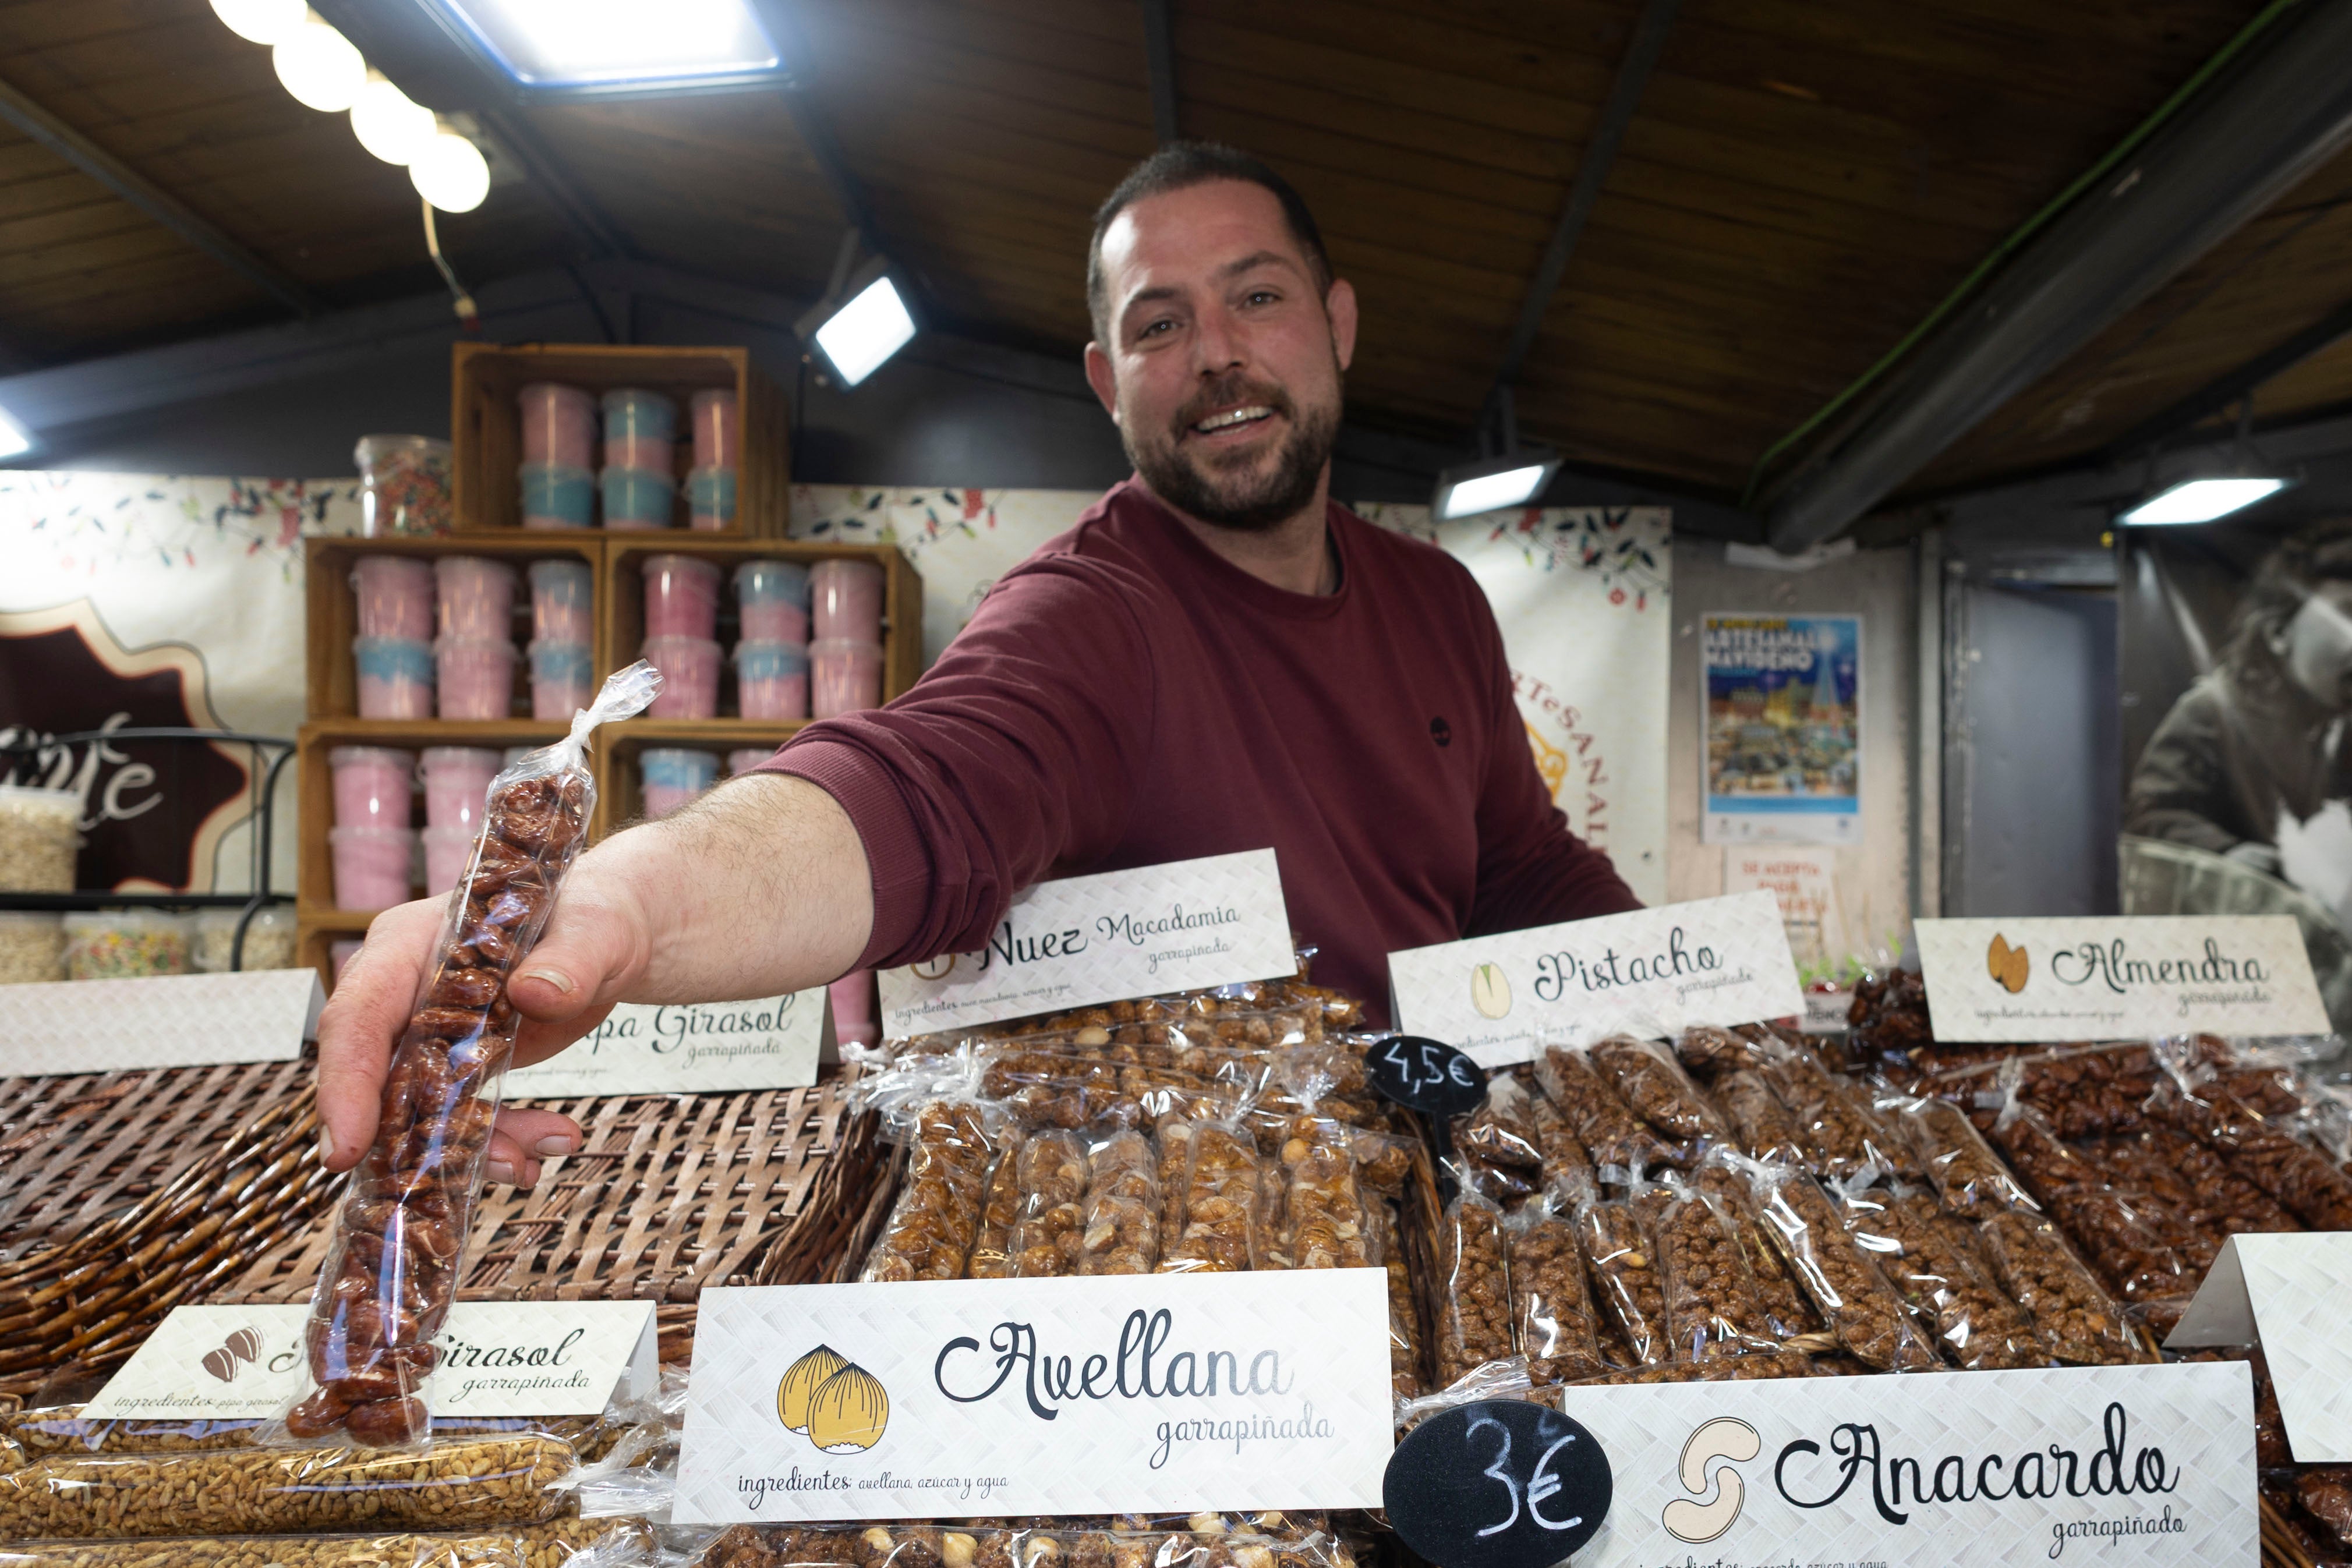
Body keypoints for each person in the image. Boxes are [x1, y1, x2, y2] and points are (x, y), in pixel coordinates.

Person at [317, 143, 1640, 1188]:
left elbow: (1522, 869)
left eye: (1258, 296)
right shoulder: (1093, 616)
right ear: (1105, 378)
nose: (1219, 352)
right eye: (1159, 323)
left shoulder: (1438, 602)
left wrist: (1711, 992)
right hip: (1176, 1242)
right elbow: (913, 794)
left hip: (1435, 1187)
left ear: (1336, 319)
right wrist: (614, 912)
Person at [2125, 517, 2352, 888]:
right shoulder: (2213, 711)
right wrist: (2226, 855)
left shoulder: (2340, 725)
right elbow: (2151, 817)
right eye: (2347, 614)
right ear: (2279, 634)